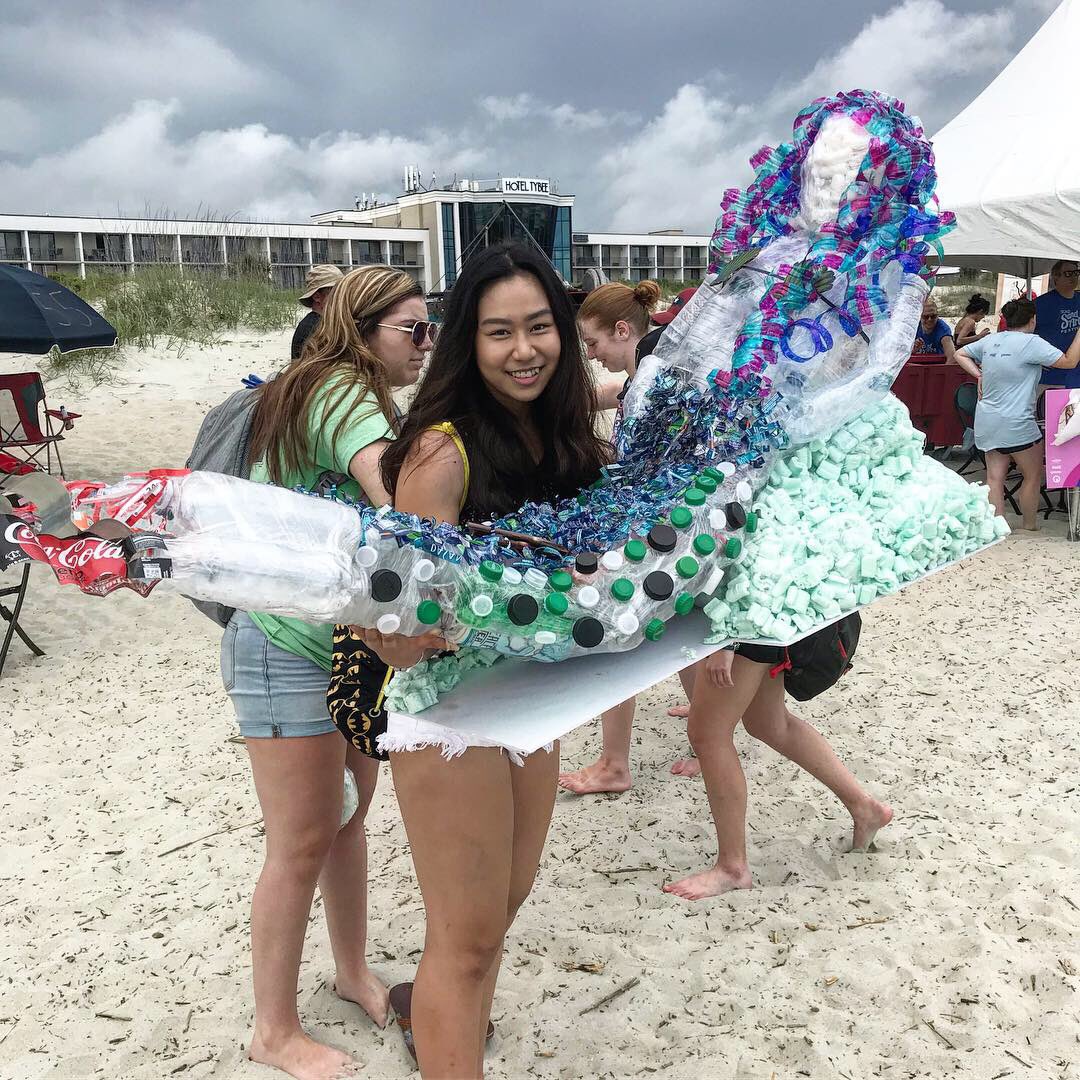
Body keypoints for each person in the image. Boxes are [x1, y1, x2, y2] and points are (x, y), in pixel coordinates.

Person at [352, 243, 609, 1078]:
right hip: (449, 715)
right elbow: (390, 618)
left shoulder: (562, 439)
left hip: (533, 706)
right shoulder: (440, 450)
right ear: (469, 342)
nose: (524, 349)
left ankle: (445, 1033)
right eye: (499, 332)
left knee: (498, 912)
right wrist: (402, 631)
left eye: (539, 327)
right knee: (463, 944)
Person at [222, 265, 433, 1080]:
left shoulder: (345, 390)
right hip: (282, 645)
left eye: (430, 330)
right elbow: (391, 487)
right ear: (363, 329)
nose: (424, 345)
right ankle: (271, 1030)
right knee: (302, 839)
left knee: (349, 823)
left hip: (340, 642)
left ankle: (349, 973)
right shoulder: (341, 390)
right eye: (411, 330)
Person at [559, 282, 699, 795]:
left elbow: (642, 459)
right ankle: (704, 735)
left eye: (594, 343)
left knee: (615, 635)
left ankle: (616, 764)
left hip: (647, 525)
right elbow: (608, 396)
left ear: (623, 331)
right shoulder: (652, 368)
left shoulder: (651, 378)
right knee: (679, 629)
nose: (592, 355)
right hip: (665, 525)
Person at [663, 644, 893, 901]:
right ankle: (865, 808)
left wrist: (726, 646)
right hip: (761, 626)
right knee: (769, 723)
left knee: (709, 734)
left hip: (740, 627)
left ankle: (732, 868)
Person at [954, 297, 1080, 530]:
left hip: (987, 422)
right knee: (1032, 477)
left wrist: (978, 375)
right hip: (1018, 424)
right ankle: (1029, 526)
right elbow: (1070, 362)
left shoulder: (991, 341)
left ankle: (1000, 528)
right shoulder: (1032, 343)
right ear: (1033, 320)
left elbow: (959, 354)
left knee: (994, 478)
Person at [1036, 260, 1080, 390]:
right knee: (1050, 410)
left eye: (1076, 273)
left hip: (1076, 376)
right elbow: (1022, 335)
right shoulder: (1040, 304)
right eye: (1068, 273)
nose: (1073, 277)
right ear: (1056, 276)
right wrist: (1036, 358)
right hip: (1050, 377)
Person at [292, 264, 344, 360]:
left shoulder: (323, 323)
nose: (343, 297)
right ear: (317, 297)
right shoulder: (313, 328)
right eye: (337, 292)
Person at [911, 296, 956, 361]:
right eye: (925, 317)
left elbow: (952, 358)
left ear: (937, 315)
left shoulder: (943, 329)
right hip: (916, 363)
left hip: (936, 364)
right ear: (919, 316)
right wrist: (913, 349)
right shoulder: (913, 326)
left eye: (933, 316)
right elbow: (900, 354)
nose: (929, 319)